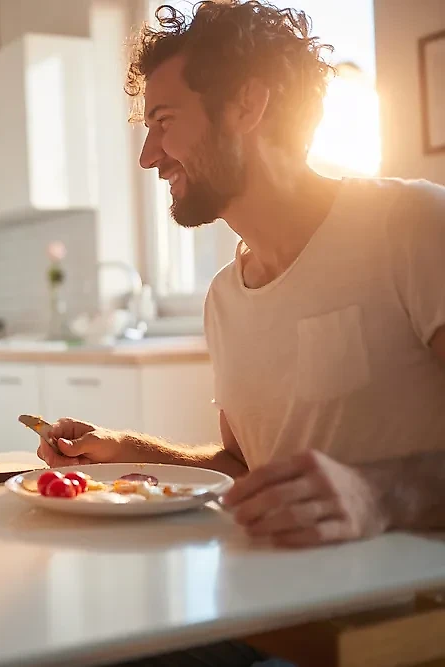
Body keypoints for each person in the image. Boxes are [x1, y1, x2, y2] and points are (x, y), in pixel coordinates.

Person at [37, 0, 445, 548]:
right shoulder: (226, 296)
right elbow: (246, 468)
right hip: (273, 590)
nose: (148, 156)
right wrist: (126, 450)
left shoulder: (413, 225)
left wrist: (377, 495)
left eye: (164, 121)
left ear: (247, 105)